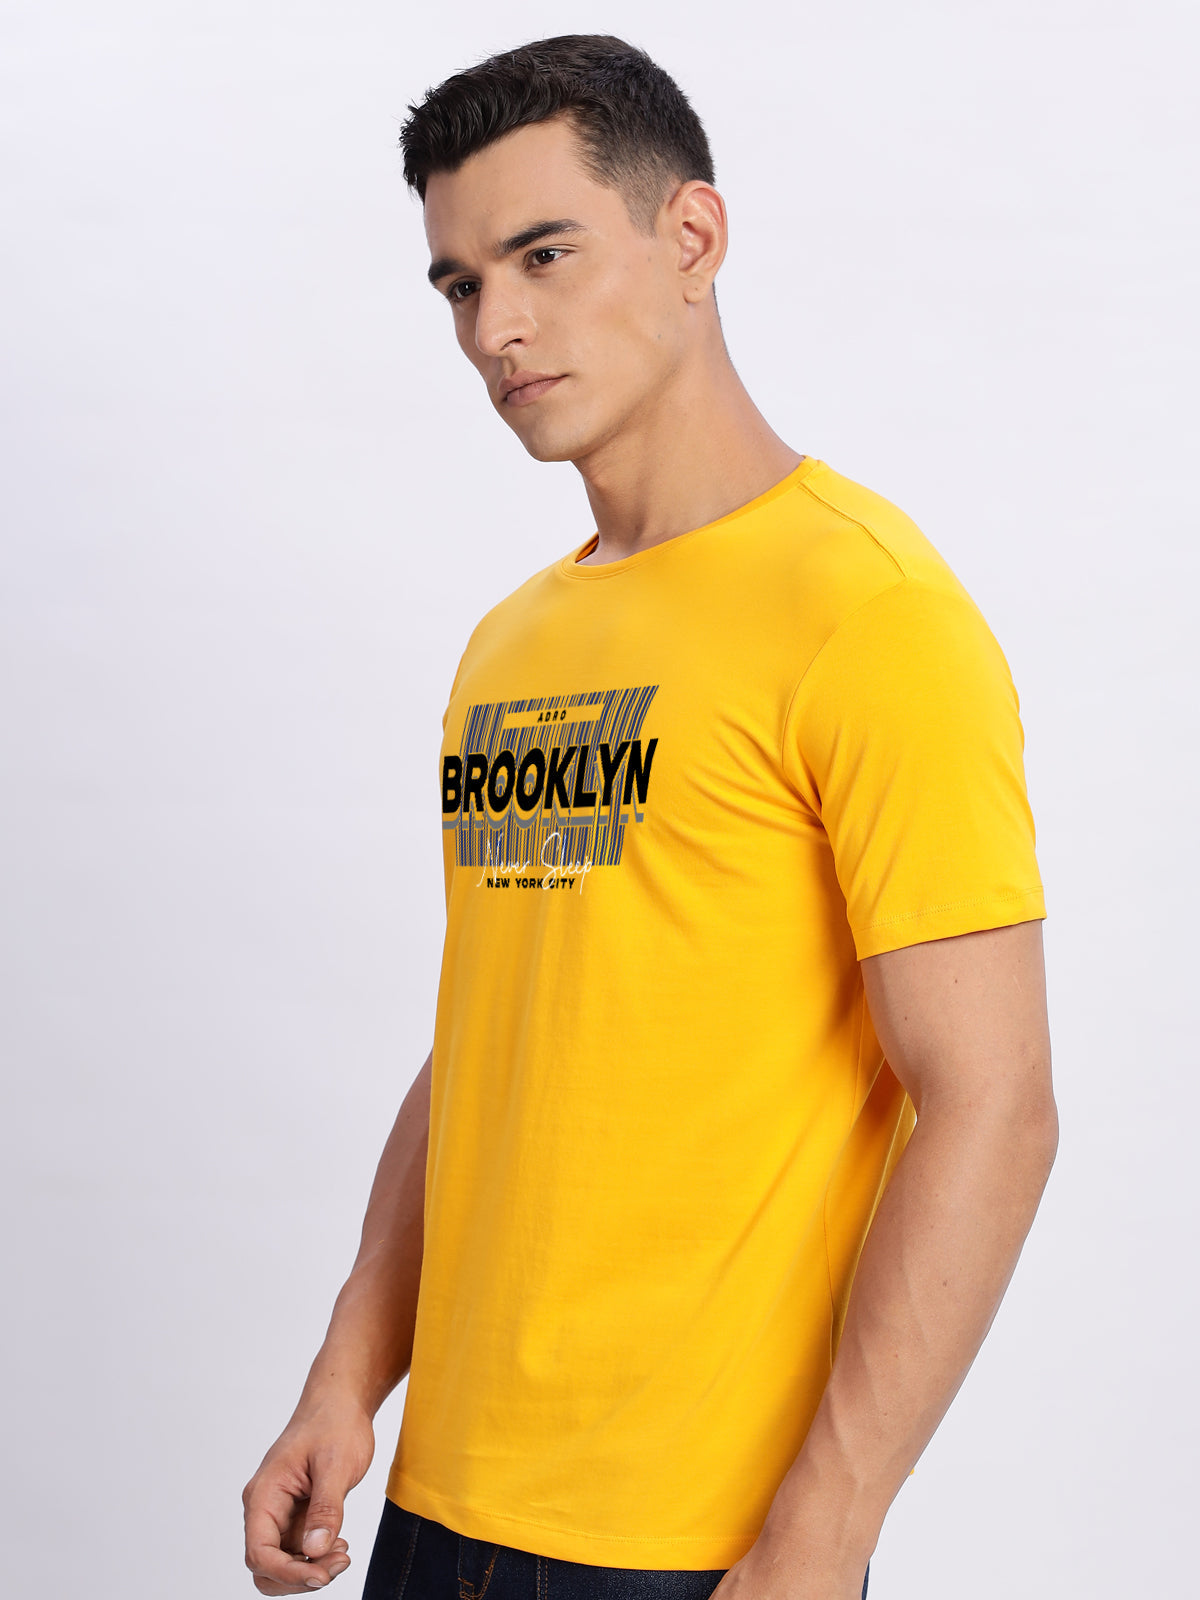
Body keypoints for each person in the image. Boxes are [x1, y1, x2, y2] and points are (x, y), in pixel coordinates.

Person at [242, 33, 1058, 1600]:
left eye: (543, 255)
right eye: (461, 284)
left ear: (692, 236)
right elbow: (490, 1036)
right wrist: (347, 1378)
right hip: (441, 1509)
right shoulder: (512, 646)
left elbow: (996, 1106)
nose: (497, 327)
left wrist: (826, 1530)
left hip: (695, 1547)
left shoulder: (870, 614)